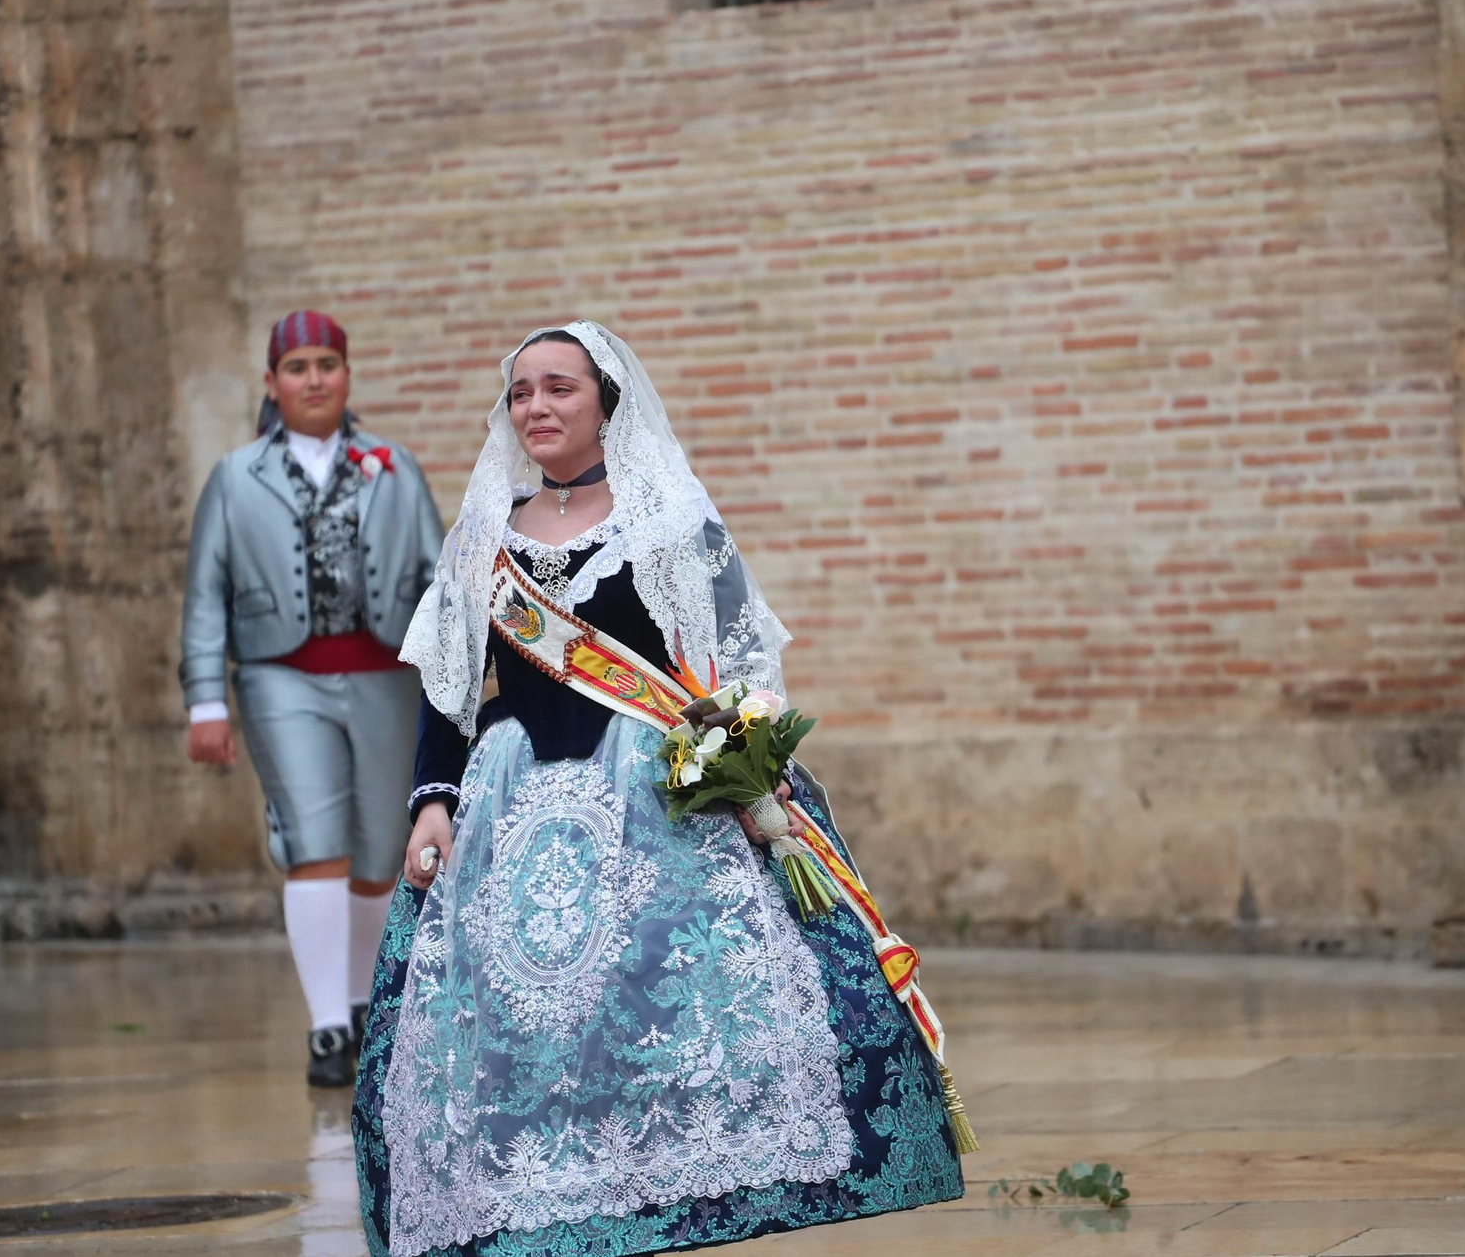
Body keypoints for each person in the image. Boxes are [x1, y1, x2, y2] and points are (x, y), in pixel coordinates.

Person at [351, 320, 966, 1257]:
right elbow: (446, 691)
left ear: (605, 399)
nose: (536, 407)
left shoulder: (667, 516)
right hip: (512, 807)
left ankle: (681, 1186)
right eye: (521, 392)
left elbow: (735, 664)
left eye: (558, 387)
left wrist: (743, 771)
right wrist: (432, 800)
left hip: (653, 796)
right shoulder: (481, 536)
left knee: (663, 1001)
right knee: (528, 1024)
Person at [182, 310, 445, 1087]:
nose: (314, 378)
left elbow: (438, 576)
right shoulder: (235, 477)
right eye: (297, 366)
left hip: (389, 678)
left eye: (328, 363)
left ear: (347, 376)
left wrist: (457, 675)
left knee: (376, 851)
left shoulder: (394, 466)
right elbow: (206, 595)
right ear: (272, 383)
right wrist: (205, 700)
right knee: (313, 838)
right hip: (279, 676)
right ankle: (328, 1024)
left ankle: (366, 1005)